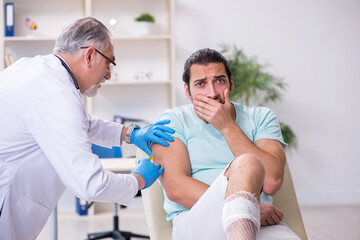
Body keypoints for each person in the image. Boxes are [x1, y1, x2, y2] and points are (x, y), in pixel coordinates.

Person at [0, 17, 175, 239]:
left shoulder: (37, 70)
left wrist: (130, 134)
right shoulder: (56, 95)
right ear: (90, 55)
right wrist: (138, 180)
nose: (109, 75)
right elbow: (91, 184)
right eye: (109, 63)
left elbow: (82, 123)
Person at [151, 48, 301, 239]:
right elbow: (175, 187)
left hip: (259, 220)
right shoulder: (172, 120)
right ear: (188, 90)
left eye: (219, 81)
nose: (212, 93)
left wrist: (227, 126)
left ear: (231, 83)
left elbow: (271, 182)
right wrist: (246, 206)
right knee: (248, 163)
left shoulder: (261, 117)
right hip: (196, 217)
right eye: (200, 84)